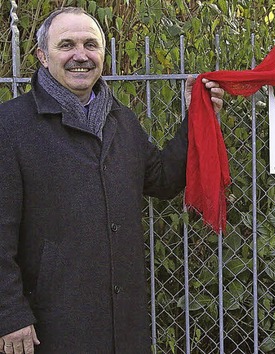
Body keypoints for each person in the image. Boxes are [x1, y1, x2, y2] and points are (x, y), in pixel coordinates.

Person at [0, 7, 224, 354]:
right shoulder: (11, 126)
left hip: (124, 322)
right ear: (42, 56)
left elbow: (163, 179)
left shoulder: (122, 121)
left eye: (91, 44)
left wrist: (196, 116)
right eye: (67, 45)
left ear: (104, 54)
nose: (81, 55)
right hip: (51, 323)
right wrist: (9, 314)